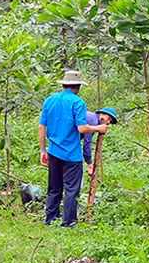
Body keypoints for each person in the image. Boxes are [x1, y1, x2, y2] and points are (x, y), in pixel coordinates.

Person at [39, 71, 108, 227]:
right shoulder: (78, 102)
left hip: (53, 151)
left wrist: (43, 150)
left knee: (54, 187)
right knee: (71, 189)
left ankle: (50, 219)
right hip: (72, 155)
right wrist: (99, 128)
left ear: (63, 84)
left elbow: (41, 127)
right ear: (78, 87)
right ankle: (68, 222)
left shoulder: (49, 100)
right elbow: (82, 128)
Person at [82, 107, 118, 175]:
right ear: (102, 114)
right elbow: (87, 143)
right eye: (108, 119)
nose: (107, 122)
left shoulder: (92, 118)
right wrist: (89, 164)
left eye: (110, 122)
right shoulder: (93, 121)